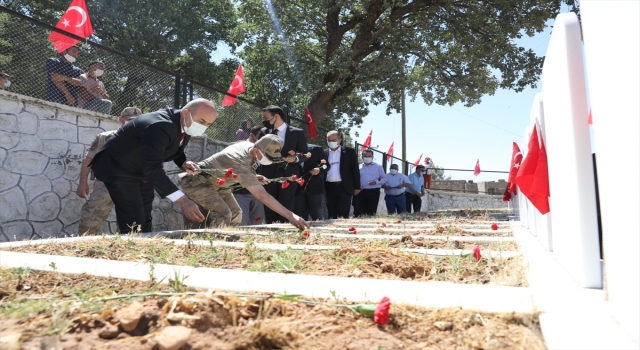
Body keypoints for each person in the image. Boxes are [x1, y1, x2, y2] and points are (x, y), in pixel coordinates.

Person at [90, 98, 217, 233]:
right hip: (118, 169)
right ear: (186, 113)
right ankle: (130, 250)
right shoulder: (160, 125)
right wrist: (183, 201)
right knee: (133, 218)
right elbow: (153, 168)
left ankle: (142, 248)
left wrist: (184, 162)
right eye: (202, 121)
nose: (203, 127)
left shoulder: (185, 124)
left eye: (208, 124)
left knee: (144, 217)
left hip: (140, 172)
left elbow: (174, 148)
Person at [180, 135, 310, 230]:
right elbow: (262, 196)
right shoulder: (241, 162)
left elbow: (238, 169)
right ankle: (215, 243)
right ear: (256, 150)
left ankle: (229, 239)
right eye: (267, 157)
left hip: (219, 183)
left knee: (236, 213)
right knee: (223, 213)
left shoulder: (248, 146)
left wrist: (254, 176)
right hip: (197, 183)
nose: (269, 161)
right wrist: (291, 216)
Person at [76, 107, 142, 234]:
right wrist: (83, 182)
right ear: (120, 119)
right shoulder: (105, 137)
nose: (133, 122)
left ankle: (124, 248)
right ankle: (84, 244)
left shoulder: (143, 139)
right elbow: (89, 159)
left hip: (131, 185)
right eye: (129, 119)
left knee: (130, 222)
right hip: (105, 185)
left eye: (136, 120)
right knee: (91, 217)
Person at [259, 105, 309, 223]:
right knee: (269, 204)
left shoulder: (297, 133)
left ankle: (285, 229)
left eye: (266, 117)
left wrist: (295, 159)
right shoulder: (264, 132)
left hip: (289, 174)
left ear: (276, 116)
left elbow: (305, 154)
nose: (263, 121)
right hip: (268, 174)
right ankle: (270, 231)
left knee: (286, 204)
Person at [232, 126, 266, 226]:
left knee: (258, 224)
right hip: (240, 192)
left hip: (258, 193)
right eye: (260, 137)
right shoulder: (238, 148)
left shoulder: (264, 149)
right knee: (242, 223)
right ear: (252, 136)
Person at [324, 130, 360, 219]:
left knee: (343, 213)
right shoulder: (323, 153)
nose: (331, 142)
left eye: (334, 140)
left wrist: (357, 186)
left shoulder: (349, 152)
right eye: (329, 140)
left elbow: (355, 169)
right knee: (331, 212)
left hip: (344, 186)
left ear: (340, 140)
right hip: (328, 187)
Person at [294, 144, 330, 221]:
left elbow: (326, 165)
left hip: (315, 189)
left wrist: (319, 170)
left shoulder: (316, 149)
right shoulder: (290, 150)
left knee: (318, 218)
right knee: (299, 218)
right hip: (297, 190)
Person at [357, 149, 386, 216]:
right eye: (365, 156)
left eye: (369, 156)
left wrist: (375, 182)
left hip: (374, 191)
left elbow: (384, 178)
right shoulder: (358, 167)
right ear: (362, 157)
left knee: (371, 211)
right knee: (360, 211)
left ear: (372, 157)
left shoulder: (378, 167)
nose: (367, 158)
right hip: (361, 191)